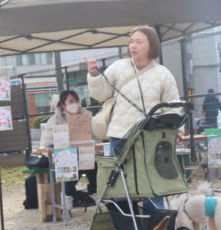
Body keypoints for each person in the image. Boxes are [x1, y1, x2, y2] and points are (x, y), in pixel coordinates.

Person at [88, 26, 179, 208]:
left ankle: (154, 229)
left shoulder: (163, 73)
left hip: (151, 138)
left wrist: (175, 130)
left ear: (151, 45)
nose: (133, 45)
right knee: (120, 185)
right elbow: (102, 94)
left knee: (153, 184)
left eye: (139, 42)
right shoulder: (118, 67)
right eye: (131, 41)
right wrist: (94, 75)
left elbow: (173, 105)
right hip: (120, 135)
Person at [42, 89, 97, 206]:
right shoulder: (55, 120)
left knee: (92, 163)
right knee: (71, 161)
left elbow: (95, 137)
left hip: (84, 155)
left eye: (76, 100)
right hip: (64, 158)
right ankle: (68, 194)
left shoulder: (87, 116)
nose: (75, 104)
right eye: (71, 101)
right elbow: (46, 143)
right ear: (63, 105)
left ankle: (93, 192)